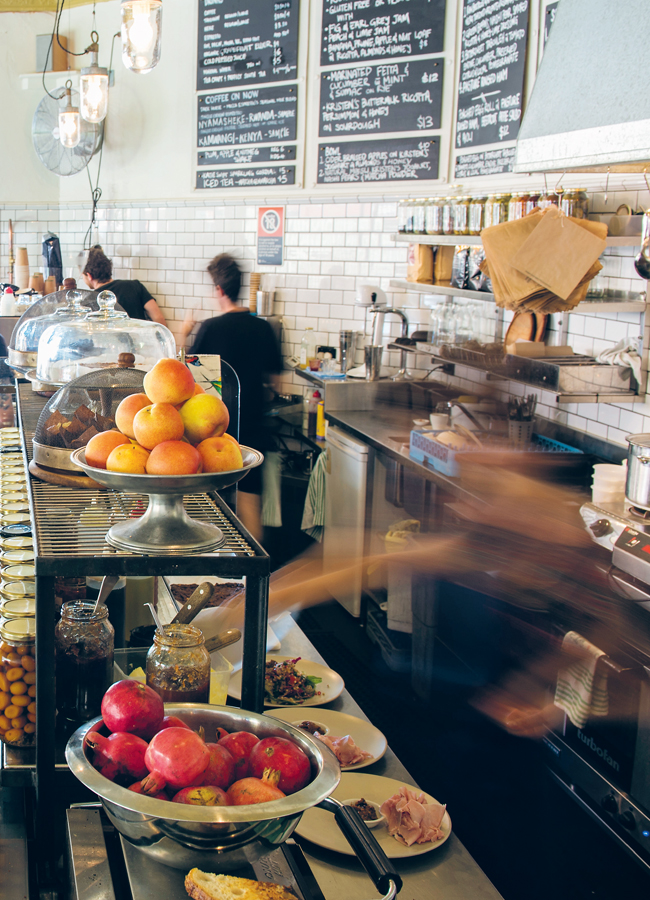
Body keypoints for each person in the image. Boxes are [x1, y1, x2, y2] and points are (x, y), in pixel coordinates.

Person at [181, 253, 283, 540]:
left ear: (219, 290)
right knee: (250, 500)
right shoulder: (263, 327)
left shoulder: (211, 328)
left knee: (207, 501)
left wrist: (183, 333)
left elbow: (186, 378)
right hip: (253, 424)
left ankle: (212, 569)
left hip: (214, 429)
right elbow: (276, 381)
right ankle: (252, 578)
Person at [82, 246, 168, 327]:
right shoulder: (134, 285)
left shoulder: (89, 300)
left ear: (89, 276)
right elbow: (158, 318)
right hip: (139, 340)